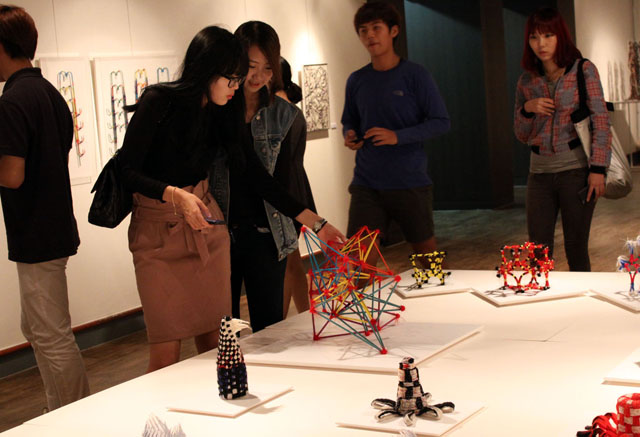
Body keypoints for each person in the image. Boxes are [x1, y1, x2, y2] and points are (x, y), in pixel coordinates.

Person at [118, 26, 251, 372]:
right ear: (207, 69)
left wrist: (313, 221)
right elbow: (126, 170)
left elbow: (250, 171)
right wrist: (175, 195)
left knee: (218, 347)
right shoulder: (159, 102)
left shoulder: (220, 111)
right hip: (157, 236)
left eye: (239, 79)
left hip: (207, 232)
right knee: (165, 353)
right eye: (231, 79)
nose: (236, 87)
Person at [226, 21, 343, 332]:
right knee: (222, 331)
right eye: (251, 66)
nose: (259, 76)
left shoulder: (286, 115)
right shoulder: (220, 108)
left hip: (267, 233)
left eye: (268, 68)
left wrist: (313, 223)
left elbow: (285, 180)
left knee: (269, 331)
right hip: (220, 233)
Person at [0, 5, 89, 410]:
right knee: (38, 328)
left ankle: (74, 417)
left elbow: (12, 175)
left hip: (35, 231)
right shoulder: (50, 94)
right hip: (52, 225)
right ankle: (60, 411)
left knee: (51, 335)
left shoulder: (14, 100)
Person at [341, 1, 450, 269]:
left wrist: (397, 136)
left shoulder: (415, 75)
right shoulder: (356, 80)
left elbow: (441, 122)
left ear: (393, 31)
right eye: (363, 30)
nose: (370, 35)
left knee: (427, 259)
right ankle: (361, 299)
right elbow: (349, 120)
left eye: (376, 28)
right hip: (367, 182)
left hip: (409, 180)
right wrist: (350, 135)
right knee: (359, 262)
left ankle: (440, 295)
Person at [514, 7, 611, 271]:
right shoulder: (526, 81)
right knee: (538, 251)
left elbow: (601, 121)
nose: (541, 44)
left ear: (560, 36)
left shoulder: (583, 70)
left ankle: (583, 297)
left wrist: (598, 169)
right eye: (534, 37)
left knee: (576, 248)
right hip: (539, 174)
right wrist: (528, 109)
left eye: (548, 35)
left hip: (576, 172)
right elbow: (521, 134)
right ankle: (541, 295)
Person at [275, 57, 314, 317]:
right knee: (292, 260)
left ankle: (279, 323)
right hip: (297, 189)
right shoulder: (293, 110)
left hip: (285, 192)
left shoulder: (278, 112)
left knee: (286, 263)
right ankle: (304, 316)